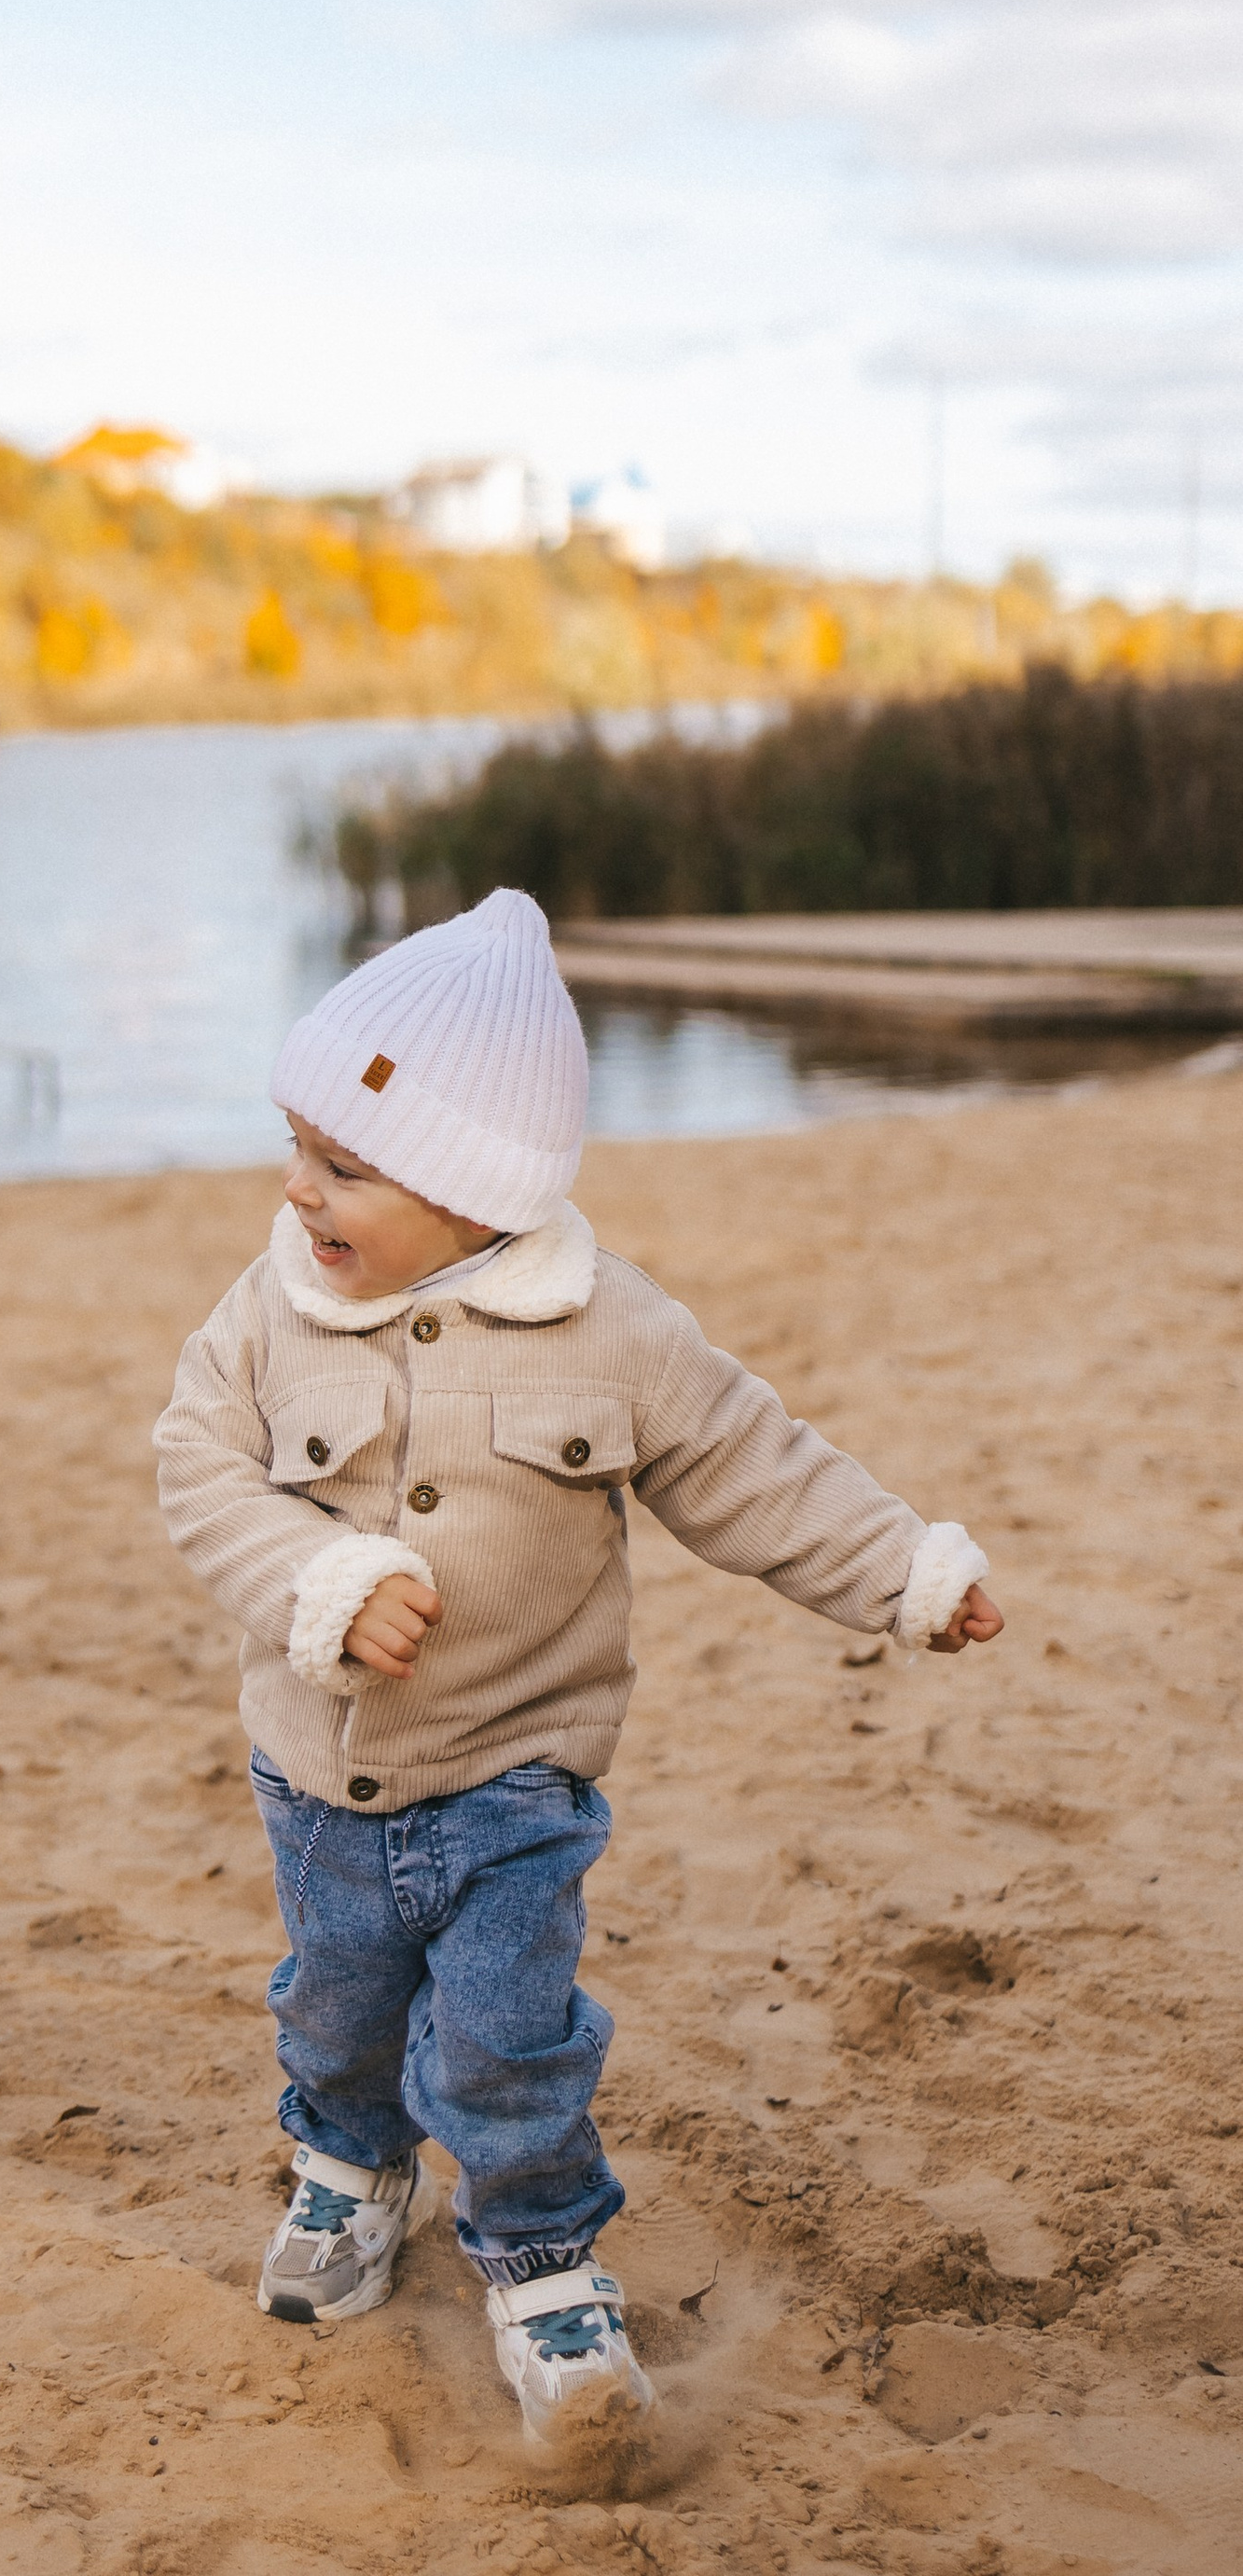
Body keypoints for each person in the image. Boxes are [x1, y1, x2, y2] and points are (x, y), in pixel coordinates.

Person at [153, 889, 1002, 2457]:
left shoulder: (612, 1333)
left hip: (514, 1785)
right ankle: (349, 2171)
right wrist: (315, 1582)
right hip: (316, 1777)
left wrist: (903, 1577)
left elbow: (758, 1469)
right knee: (336, 2009)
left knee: (503, 2036)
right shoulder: (266, 1312)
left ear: (475, 1188)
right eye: (297, 1145)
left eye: (343, 1165)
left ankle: (542, 2263)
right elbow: (200, 1475)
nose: (296, 1188)